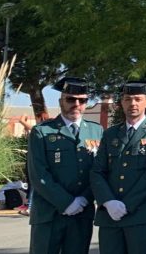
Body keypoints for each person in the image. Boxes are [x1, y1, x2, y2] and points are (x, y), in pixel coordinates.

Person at [91, 80, 146, 254]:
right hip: (110, 216)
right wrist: (109, 202)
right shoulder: (111, 133)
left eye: (137, 99)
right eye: (127, 99)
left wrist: (127, 204)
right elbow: (97, 171)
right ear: (121, 103)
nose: (132, 103)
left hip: (140, 215)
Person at [27, 76, 103, 254]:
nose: (76, 104)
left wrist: (84, 198)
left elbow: (99, 170)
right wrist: (67, 202)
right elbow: (38, 174)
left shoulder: (96, 130)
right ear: (61, 101)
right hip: (49, 213)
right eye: (70, 99)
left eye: (82, 100)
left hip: (81, 214)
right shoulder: (42, 131)